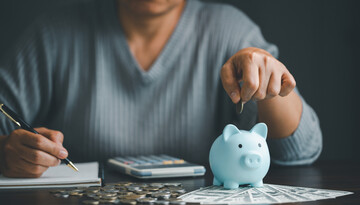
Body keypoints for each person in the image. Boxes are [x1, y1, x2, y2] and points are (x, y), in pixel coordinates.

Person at [0, 0, 322, 178]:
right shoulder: (53, 34)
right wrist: (5, 152)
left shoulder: (229, 29)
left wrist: (267, 76)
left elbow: (301, 150)